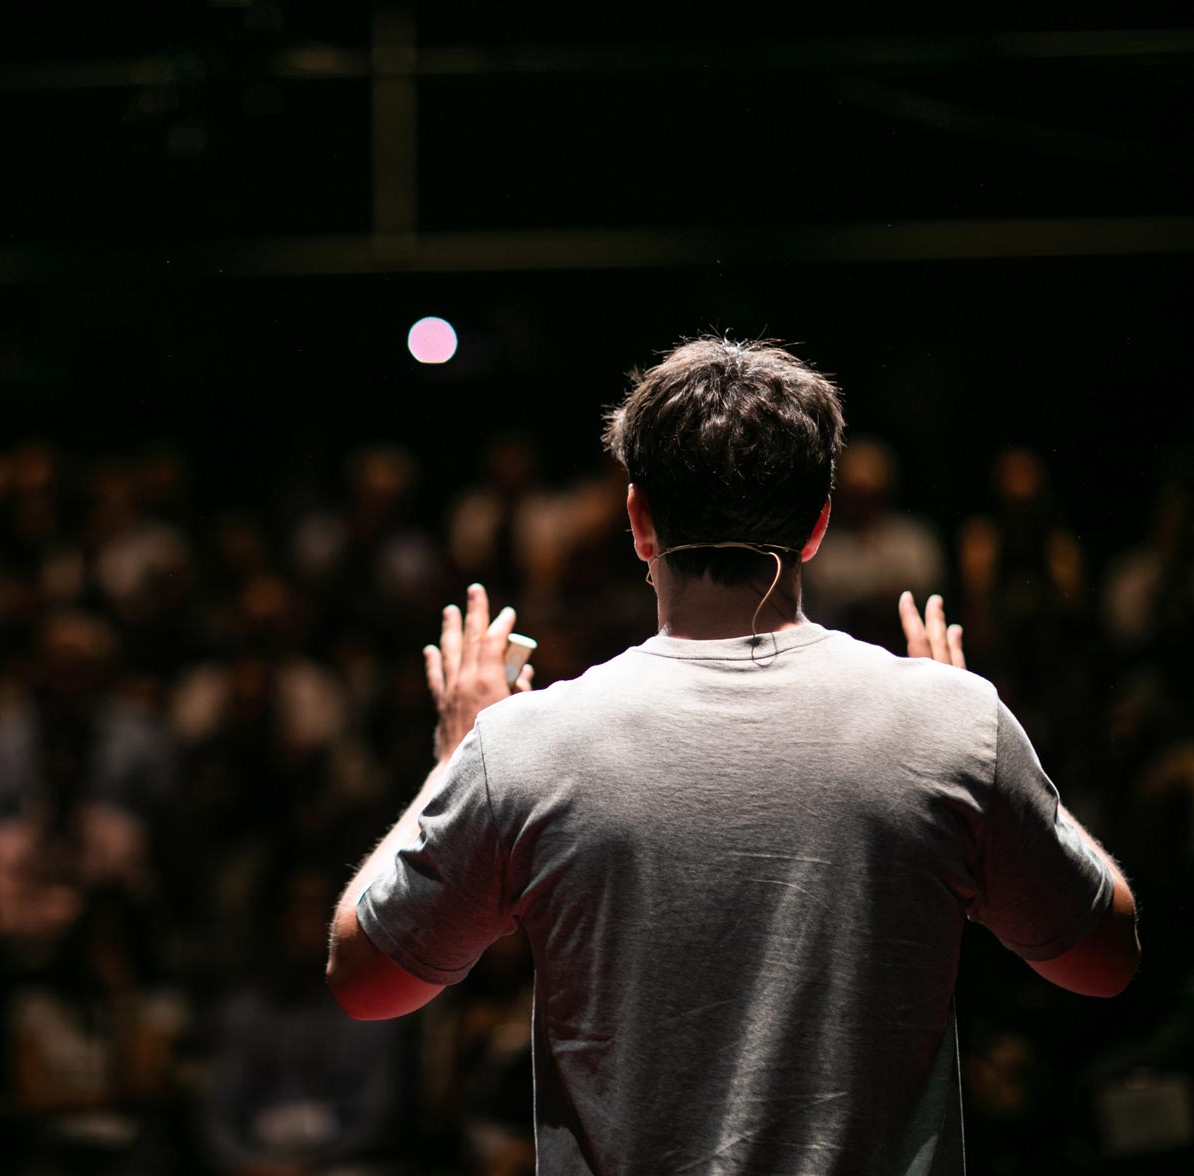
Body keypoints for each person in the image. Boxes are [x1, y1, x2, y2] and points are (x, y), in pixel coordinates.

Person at [325, 338, 1140, 1174]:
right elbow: (1104, 961)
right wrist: (974, 738)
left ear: (639, 520)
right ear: (818, 523)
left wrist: (455, 757)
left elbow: (366, 979)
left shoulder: (525, 744)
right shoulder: (951, 722)